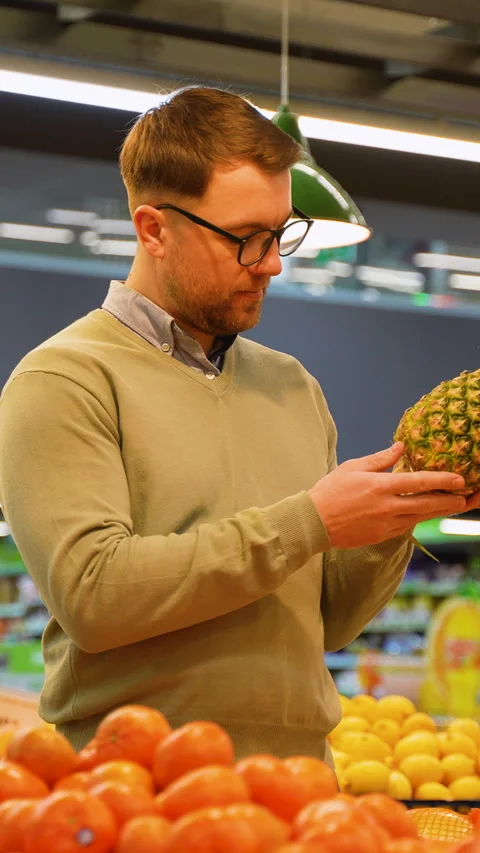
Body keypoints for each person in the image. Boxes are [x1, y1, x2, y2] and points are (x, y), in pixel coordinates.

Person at [0, 86, 477, 762]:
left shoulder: (293, 386)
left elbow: (329, 623)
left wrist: (388, 524)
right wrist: (310, 520)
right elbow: (94, 597)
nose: (273, 263)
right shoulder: (64, 380)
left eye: (281, 233)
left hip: (302, 788)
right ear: (153, 229)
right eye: (247, 239)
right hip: (133, 788)